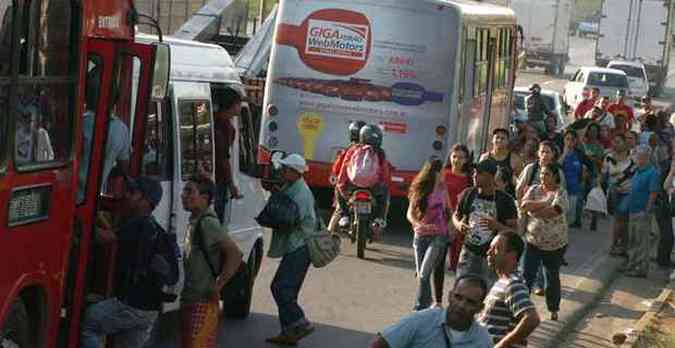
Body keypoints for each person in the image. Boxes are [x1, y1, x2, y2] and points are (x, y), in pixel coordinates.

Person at [81, 177, 179, 348]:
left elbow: (106, 237)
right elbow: (115, 235)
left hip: (131, 304)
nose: (126, 195)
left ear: (145, 201)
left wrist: (77, 223)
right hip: (150, 309)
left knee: (90, 323)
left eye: (133, 192)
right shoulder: (154, 227)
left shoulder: (137, 223)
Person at [180, 175, 243, 347]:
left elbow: (235, 254)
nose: (183, 195)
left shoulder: (207, 223)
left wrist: (218, 285)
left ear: (204, 198)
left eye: (189, 191)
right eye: (184, 190)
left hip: (202, 299)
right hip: (192, 298)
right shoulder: (196, 220)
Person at [266, 154, 317, 345]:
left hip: (300, 246)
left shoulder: (301, 192)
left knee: (280, 287)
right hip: (295, 246)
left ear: (295, 172)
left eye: (286, 169)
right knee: (288, 290)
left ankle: (300, 322)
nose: (283, 172)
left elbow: (289, 219)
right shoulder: (292, 187)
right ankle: (288, 333)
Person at [371, 274, 494, 348]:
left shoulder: (483, 340)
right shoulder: (421, 320)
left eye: (470, 302)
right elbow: (380, 344)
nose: (461, 305)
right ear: (450, 296)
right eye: (458, 297)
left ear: (480, 308)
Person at [453, 160, 518, 286]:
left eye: (479, 173)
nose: (474, 175)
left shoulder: (505, 200)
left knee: (488, 297)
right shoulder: (468, 193)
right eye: (474, 172)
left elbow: (514, 232)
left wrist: (497, 226)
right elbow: (456, 215)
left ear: (491, 177)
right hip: (468, 253)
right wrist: (459, 225)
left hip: (492, 257)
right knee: (461, 288)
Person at [520, 163, 569, 321]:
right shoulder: (534, 189)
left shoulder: (561, 192)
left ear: (555, 176)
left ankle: (553, 308)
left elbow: (553, 212)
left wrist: (535, 209)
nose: (543, 177)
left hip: (554, 245)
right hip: (533, 240)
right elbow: (524, 205)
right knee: (527, 275)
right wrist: (545, 202)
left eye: (546, 174)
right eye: (541, 174)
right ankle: (521, 309)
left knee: (551, 276)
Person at [77, 70, 130, 203]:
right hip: (91, 200)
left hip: (66, 195)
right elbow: (124, 167)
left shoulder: (78, 123)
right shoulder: (121, 129)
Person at [479, 232, 540, 347]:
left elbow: (532, 319)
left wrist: (502, 345)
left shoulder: (512, 285)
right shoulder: (502, 282)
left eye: (496, 249)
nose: (489, 253)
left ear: (512, 255)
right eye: (490, 248)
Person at [407, 160, 450, 310]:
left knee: (424, 274)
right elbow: (410, 213)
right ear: (434, 173)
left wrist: (451, 228)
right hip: (420, 236)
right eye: (442, 171)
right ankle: (427, 304)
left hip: (438, 237)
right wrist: (417, 224)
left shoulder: (443, 189)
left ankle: (420, 307)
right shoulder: (419, 188)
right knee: (421, 275)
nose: (444, 174)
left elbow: (449, 212)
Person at [335, 124, 392, 236]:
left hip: (353, 185)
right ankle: (379, 218)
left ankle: (345, 216)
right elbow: (384, 173)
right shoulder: (380, 152)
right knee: (385, 195)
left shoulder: (353, 149)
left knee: (337, 189)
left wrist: (341, 185)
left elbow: (345, 168)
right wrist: (384, 184)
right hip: (373, 187)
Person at [621, 145, 660, 278]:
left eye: (637, 157)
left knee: (641, 242)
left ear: (644, 158)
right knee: (633, 240)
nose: (635, 159)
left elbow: (653, 193)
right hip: (633, 210)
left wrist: (647, 211)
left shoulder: (652, 172)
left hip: (642, 212)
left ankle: (640, 269)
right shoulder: (638, 170)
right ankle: (632, 265)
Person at [212, 87, 244, 224]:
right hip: (218, 180)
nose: (240, 107)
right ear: (232, 104)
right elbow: (223, 159)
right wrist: (231, 185)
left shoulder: (224, 124)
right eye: (239, 103)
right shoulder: (222, 127)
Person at [329, 120, 367, 230]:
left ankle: (328, 233)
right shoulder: (375, 150)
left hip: (350, 185)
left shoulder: (351, 149)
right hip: (370, 187)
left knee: (339, 208)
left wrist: (336, 178)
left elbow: (340, 166)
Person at [602, 134, 635, 256]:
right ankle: (620, 245)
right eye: (614, 141)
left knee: (621, 216)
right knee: (619, 219)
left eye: (618, 141)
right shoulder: (608, 157)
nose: (615, 144)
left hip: (629, 192)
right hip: (614, 191)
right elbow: (604, 174)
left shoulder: (633, 157)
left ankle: (617, 245)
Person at [444, 145, 473, 274]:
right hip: (441, 214)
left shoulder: (469, 179)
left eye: (460, 157)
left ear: (466, 160)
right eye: (454, 156)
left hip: (460, 217)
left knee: (457, 246)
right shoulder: (443, 174)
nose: (456, 160)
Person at [561, 129, 592, 228]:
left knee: (571, 215)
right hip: (561, 187)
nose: (569, 142)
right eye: (567, 139)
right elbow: (555, 166)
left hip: (575, 187)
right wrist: (564, 154)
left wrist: (585, 173)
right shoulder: (557, 151)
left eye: (572, 140)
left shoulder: (579, 154)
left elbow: (591, 166)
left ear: (575, 141)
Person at [480, 128, 524, 197]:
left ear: (507, 141)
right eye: (497, 137)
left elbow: (521, 181)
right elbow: (478, 178)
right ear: (492, 140)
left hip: (507, 197)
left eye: (503, 138)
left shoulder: (515, 159)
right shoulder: (485, 157)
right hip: (487, 197)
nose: (499, 140)